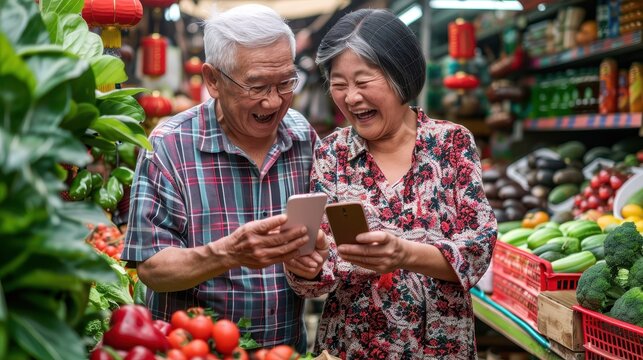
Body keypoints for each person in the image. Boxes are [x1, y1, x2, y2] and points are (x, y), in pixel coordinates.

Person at [284, 9, 497, 359]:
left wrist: (404, 254)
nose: (351, 97)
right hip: (352, 346)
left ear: (401, 76)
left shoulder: (451, 144)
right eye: (339, 84)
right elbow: (323, 268)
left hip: (440, 346)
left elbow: (478, 247)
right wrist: (304, 265)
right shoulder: (332, 153)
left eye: (363, 82)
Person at [122, 4, 324, 353]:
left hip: (285, 349)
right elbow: (151, 267)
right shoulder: (170, 144)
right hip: (194, 350)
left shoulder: (303, 136)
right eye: (257, 85)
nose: (274, 101)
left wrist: (314, 261)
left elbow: (323, 241)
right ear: (213, 80)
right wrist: (228, 253)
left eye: (286, 82)